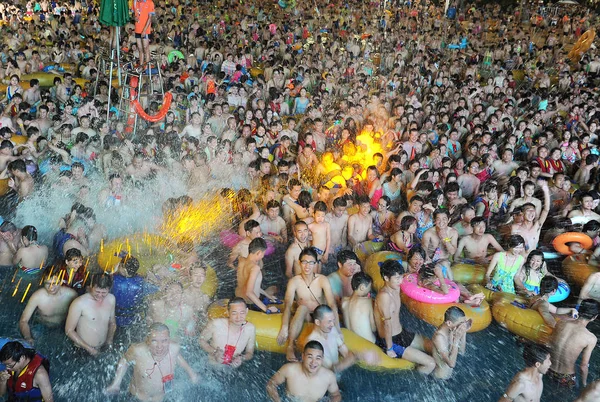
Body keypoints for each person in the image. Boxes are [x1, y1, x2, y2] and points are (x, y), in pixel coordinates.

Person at [105, 323, 199, 400]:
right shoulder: (138, 351)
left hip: (162, 398)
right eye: (154, 341)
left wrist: (191, 373)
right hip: (138, 398)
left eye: (164, 341)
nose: (160, 346)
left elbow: (178, 357)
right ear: (147, 341)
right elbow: (124, 360)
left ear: (169, 340)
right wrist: (116, 384)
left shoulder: (174, 348)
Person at [374, 259, 436, 374]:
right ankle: (419, 383)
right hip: (391, 341)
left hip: (402, 333)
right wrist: (389, 349)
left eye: (401, 277)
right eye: (397, 278)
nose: (400, 281)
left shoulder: (395, 287)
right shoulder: (384, 296)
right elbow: (387, 324)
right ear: (386, 278)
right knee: (430, 363)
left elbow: (411, 277)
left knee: (434, 348)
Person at [277, 247, 338, 362]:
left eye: (311, 262)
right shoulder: (294, 282)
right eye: (304, 262)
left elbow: (332, 305)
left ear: (315, 264)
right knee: (302, 307)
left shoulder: (322, 280)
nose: (307, 266)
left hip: (320, 319)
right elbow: (288, 306)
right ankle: (290, 346)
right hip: (304, 317)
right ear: (299, 263)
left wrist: (337, 329)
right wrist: (284, 327)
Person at [266, 340, 341, 402]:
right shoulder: (289, 370)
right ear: (303, 356)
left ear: (322, 359)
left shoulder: (328, 376)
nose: (313, 362)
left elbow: (336, 395)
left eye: (318, 358)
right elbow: (271, 385)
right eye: (310, 357)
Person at [548, 299, 599, 388]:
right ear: (594, 317)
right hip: (566, 377)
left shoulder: (561, 322)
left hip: (548, 369)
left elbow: (550, 343)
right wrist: (584, 384)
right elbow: (583, 366)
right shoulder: (590, 338)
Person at [19, 269, 77, 346]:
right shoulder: (37, 297)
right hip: (41, 326)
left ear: (61, 282)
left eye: (54, 283)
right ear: (43, 282)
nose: (51, 287)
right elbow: (23, 320)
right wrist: (28, 337)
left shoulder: (71, 295)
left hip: (63, 327)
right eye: (47, 283)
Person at [65, 273, 116, 356]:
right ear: (91, 286)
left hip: (102, 347)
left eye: (104, 293)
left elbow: (112, 322)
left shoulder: (111, 299)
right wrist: (90, 349)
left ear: (109, 289)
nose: (100, 295)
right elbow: (69, 330)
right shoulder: (79, 303)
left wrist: (109, 341)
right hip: (82, 349)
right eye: (97, 291)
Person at [198, 298, 256, 367]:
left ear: (246, 311)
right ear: (228, 312)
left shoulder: (250, 329)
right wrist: (214, 352)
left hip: (232, 371)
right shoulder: (216, 324)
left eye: (242, 313)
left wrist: (242, 358)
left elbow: (250, 352)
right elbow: (201, 340)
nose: (238, 317)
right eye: (234, 313)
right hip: (210, 367)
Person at [235, 237, 280, 313]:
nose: (263, 256)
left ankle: (268, 297)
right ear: (259, 252)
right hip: (250, 304)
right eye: (263, 254)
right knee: (275, 290)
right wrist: (266, 309)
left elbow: (249, 285)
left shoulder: (241, 260)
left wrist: (268, 297)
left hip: (238, 298)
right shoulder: (255, 268)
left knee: (273, 289)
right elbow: (249, 292)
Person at [432, 306, 470, 380]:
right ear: (449, 323)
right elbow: (451, 364)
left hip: (449, 377)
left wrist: (463, 332)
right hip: (440, 380)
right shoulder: (439, 337)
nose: (461, 326)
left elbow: (461, 351)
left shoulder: (451, 329)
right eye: (460, 323)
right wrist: (456, 340)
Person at [342, 272, 376, 343]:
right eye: (369, 287)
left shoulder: (344, 301)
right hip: (369, 344)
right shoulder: (367, 302)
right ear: (362, 287)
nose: (369, 291)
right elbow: (373, 328)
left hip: (354, 342)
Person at [111, 256, 145, 327]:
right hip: (134, 320)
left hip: (115, 319)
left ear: (123, 268)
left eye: (119, 265)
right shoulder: (141, 282)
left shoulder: (114, 280)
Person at [133, 0, 155, 68]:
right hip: (137, 29)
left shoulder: (150, 2)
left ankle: (147, 67)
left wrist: (144, 30)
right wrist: (134, 18)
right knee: (140, 48)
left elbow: (150, 18)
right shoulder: (135, 2)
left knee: (146, 48)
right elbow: (133, 14)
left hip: (145, 30)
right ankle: (141, 65)